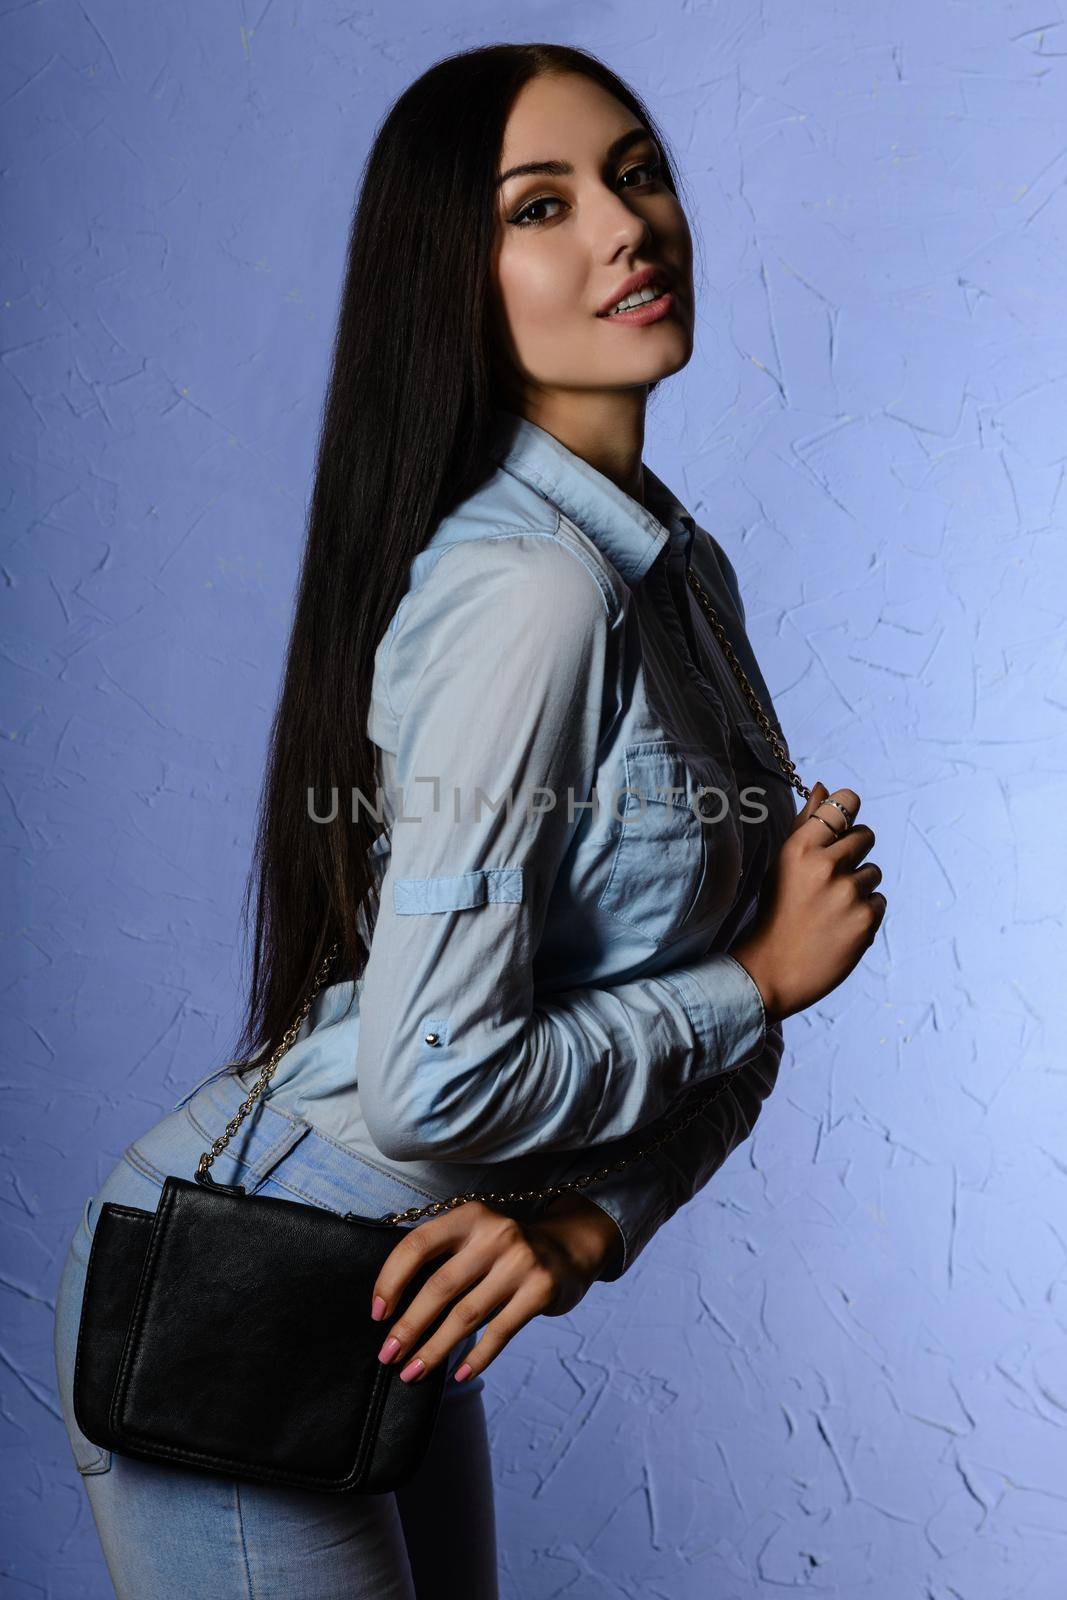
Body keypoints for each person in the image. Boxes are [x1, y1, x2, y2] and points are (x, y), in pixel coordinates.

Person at [51, 41, 886, 1600]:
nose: (625, 229)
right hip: (252, 1286)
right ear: (456, 280)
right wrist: (750, 981)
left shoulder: (672, 573)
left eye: (637, 176)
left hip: (408, 1283)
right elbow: (449, 1080)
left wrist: (584, 1224)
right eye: (542, 206)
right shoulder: (531, 592)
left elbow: (735, 1025)